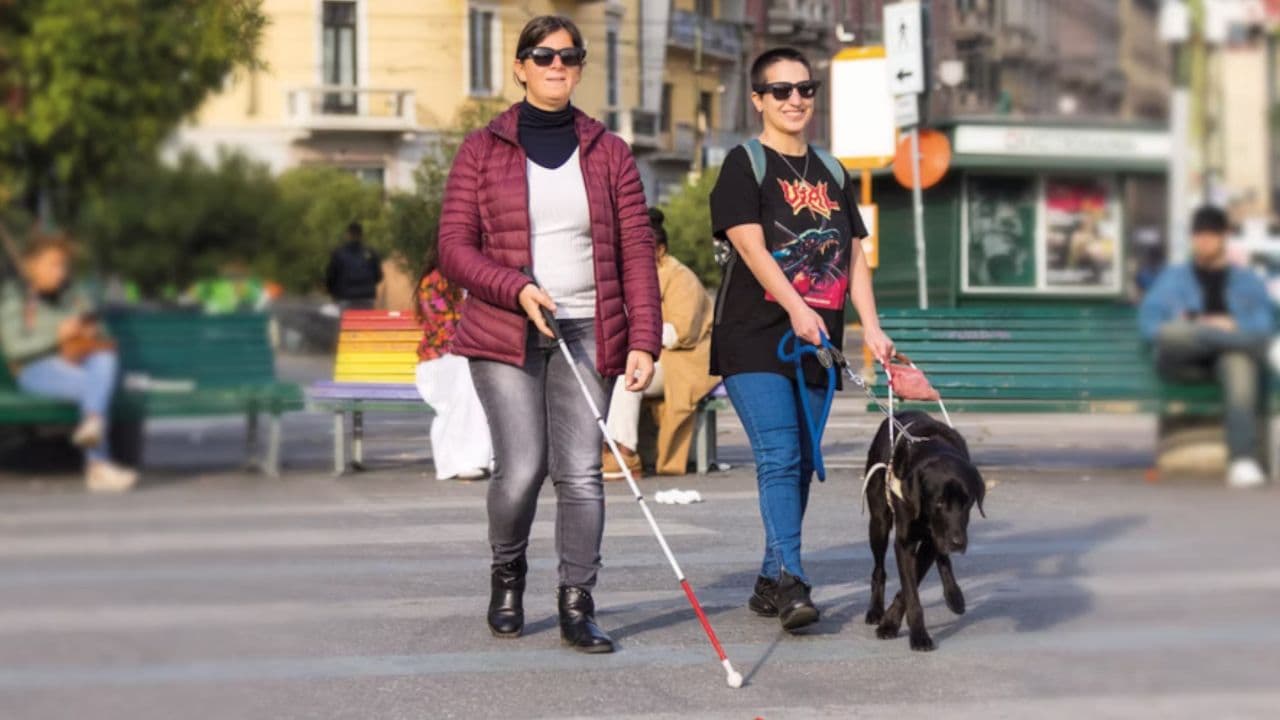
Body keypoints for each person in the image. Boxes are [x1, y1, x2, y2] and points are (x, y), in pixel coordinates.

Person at [438, 15, 661, 654]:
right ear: (520, 67)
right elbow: (454, 248)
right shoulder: (481, 149)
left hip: (588, 325)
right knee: (522, 468)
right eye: (542, 55)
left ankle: (577, 602)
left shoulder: (609, 151)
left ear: (580, 67)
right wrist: (513, 288)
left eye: (569, 55)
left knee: (582, 472)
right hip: (504, 327)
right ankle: (508, 571)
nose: (556, 65)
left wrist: (644, 337)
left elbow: (637, 250)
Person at [709, 47, 894, 632]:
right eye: (781, 91)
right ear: (758, 100)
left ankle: (770, 580)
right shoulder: (744, 164)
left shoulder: (832, 171)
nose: (795, 100)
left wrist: (873, 328)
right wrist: (794, 307)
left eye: (805, 89)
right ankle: (792, 579)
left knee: (803, 460)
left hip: (819, 340)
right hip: (755, 335)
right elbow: (750, 246)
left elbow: (854, 255)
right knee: (780, 454)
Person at [1138, 205, 1275, 488]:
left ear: (1224, 236)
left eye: (1211, 234)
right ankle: (1267, 349)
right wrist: (1206, 326)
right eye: (1199, 234)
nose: (1204, 240)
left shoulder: (1247, 280)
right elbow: (1150, 324)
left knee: (1239, 362)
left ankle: (1242, 461)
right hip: (1182, 361)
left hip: (1224, 363)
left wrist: (1233, 323)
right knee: (1174, 332)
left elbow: (1263, 322)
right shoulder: (1174, 277)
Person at [0, 232, 137, 492]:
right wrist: (57, 335)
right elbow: (14, 348)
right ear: (31, 265)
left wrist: (89, 330)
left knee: (104, 358)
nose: (60, 272)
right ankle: (98, 464)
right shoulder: (15, 296)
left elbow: (102, 333)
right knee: (97, 387)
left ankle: (93, 426)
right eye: (53, 265)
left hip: (78, 361)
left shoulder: (74, 293)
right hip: (35, 369)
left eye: (63, 265)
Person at [603, 208, 720, 477]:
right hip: (651, 356)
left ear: (660, 250)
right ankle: (603, 447)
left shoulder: (679, 276)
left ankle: (624, 452)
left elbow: (681, 332)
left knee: (628, 376)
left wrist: (634, 338)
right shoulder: (629, 276)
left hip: (685, 360)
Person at [412, 256, 491, 480]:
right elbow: (445, 328)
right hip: (440, 358)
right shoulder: (434, 280)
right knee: (465, 380)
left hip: (465, 354)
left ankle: (481, 457)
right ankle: (460, 461)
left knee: (478, 377)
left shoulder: (473, 276)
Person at [324, 221, 382, 309]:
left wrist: (333, 293)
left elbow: (331, 277)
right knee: (366, 318)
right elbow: (379, 276)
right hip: (367, 298)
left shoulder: (338, 253)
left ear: (348, 235)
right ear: (361, 235)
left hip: (345, 298)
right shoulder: (371, 253)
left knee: (345, 317)